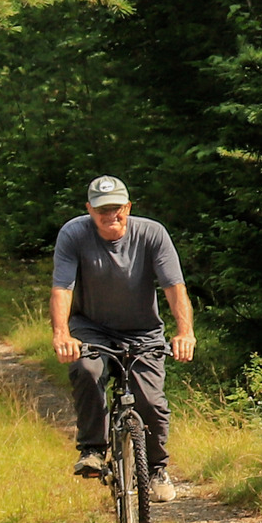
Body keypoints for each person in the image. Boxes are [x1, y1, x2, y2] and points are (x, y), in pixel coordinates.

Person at [50, 175, 195, 501]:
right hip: (91, 327)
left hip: (142, 330)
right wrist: (61, 334)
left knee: (151, 402)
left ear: (128, 207)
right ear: (90, 209)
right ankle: (93, 449)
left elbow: (175, 288)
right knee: (87, 371)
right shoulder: (74, 234)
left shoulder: (152, 234)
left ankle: (156, 468)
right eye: (102, 209)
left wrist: (184, 332)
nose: (109, 214)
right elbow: (62, 288)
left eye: (116, 207)